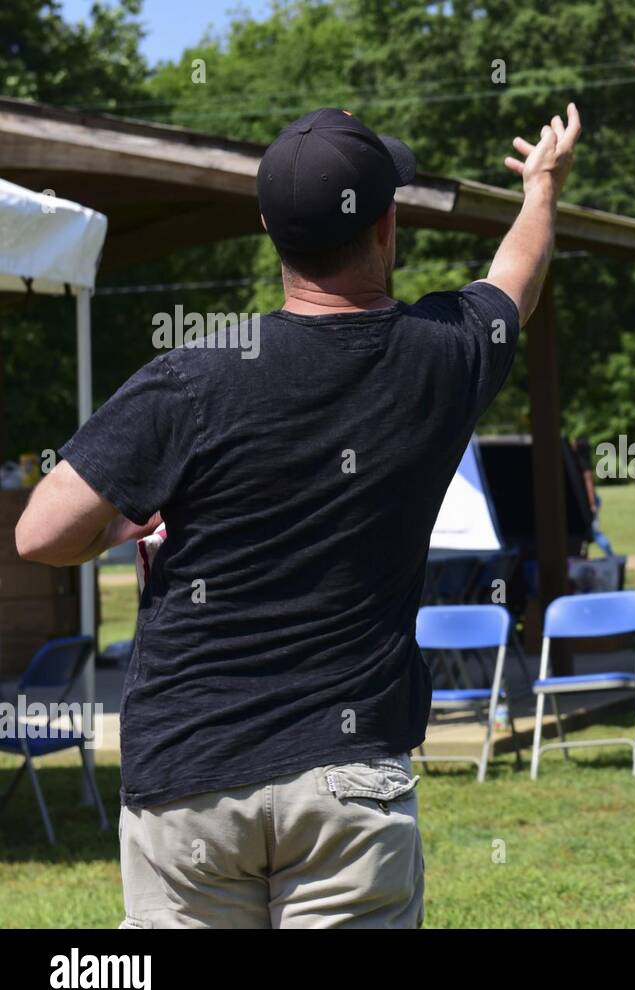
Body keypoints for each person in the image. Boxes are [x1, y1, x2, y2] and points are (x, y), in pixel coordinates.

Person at [16, 103, 582, 927]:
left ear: (268, 231)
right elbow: (515, 282)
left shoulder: (193, 377)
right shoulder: (441, 356)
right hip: (350, 785)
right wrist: (541, 188)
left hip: (189, 779)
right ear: (387, 224)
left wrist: (121, 527)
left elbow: (40, 533)